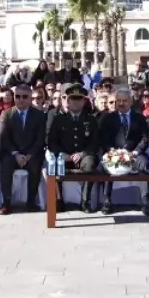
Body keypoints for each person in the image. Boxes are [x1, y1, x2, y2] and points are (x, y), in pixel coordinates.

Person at [45, 83, 101, 213]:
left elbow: (95, 142)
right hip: (64, 155)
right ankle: (58, 201)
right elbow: (51, 141)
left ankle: (85, 201)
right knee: (54, 165)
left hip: (83, 156)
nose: (75, 102)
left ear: (83, 101)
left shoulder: (91, 120)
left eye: (79, 99)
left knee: (90, 163)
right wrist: (62, 154)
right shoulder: (59, 119)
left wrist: (82, 154)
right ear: (67, 101)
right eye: (72, 98)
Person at [98, 87, 149, 216]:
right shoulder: (108, 118)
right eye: (118, 101)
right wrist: (112, 151)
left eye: (124, 101)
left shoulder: (139, 118)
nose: (121, 104)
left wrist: (135, 153)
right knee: (105, 166)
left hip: (134, 153)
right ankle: (106, 200)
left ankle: (145, 200)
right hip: (114, 153)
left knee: (144, 164)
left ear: (131, 101)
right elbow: (104, 138)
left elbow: (145, 139)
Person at [0, 85, 47, 215]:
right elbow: (4, 138)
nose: (20, 99)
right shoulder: (7, 114)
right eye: (17, 96)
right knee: (6, 163)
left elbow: (40, 139)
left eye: (24, 97)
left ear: (30, 98)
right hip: (12, 153)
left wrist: (29, 155)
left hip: (32, 153)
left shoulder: (39, 115)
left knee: (35, 165)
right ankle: (6, 202)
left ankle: (31, 201)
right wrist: (16, 154)